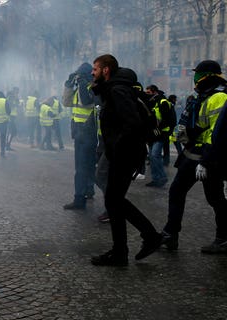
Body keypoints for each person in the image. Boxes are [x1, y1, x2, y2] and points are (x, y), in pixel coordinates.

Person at [90, 54, 162, 266]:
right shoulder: (114, 88)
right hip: (123, 153)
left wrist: (117, 148)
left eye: (95, 69)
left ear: (106, 70)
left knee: (114, 200)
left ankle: (147, 237)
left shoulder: (117, 90)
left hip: (124, 154)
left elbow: (132, 123)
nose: (92, 73)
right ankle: (122, 251)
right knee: (114, 201)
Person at [160, 60, 227, 254]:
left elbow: (218, 133)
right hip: (193, 154)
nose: (195, 78)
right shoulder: (201, 96)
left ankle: (223, 238)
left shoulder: (219, 97)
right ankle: (170, 234)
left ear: (207, 75)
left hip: (209, 157)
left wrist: (206, 162)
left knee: (215, 198)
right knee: (176, 191)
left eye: (198, 74)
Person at [62, 63, 98, 210]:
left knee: (81, 167)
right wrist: (68, 85)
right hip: (80, 132)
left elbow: (86, 101)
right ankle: (88, 190)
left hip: (87, 132)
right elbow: (66, 102)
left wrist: (82, 82)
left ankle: (79, 199)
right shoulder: (80, 89)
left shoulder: (92, 88)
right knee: (88, 166)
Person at [144, 84, 174, 188]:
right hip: (153, 135)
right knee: (152, 157)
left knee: (155, 155)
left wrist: (160, 129)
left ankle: (162, 177)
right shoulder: (151, 102)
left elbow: (168, 119)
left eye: (148, 92)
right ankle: (155, 179)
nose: (146, 94)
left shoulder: (162, 102)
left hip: (161, 134)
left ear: (154, 92)